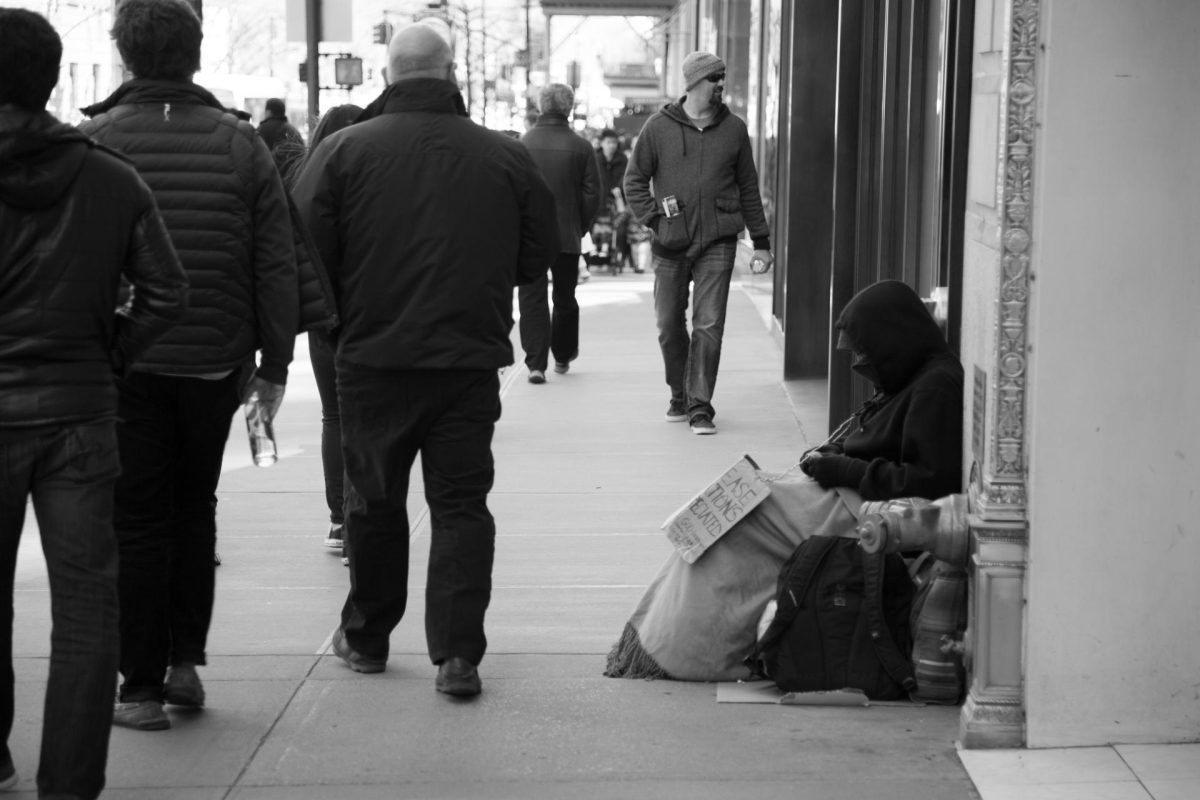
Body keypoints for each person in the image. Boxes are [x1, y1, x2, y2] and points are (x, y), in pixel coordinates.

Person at [292, 23, 559, 697]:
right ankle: (458, 655)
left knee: (374, 501)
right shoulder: (503, 155)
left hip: (374, 357)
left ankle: (369, 637)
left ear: (389, 74)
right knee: (462, 505)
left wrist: (340, 317)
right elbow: (537, 254)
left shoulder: (344, 151)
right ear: (451, 73)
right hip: (467, 360)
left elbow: (304, 252)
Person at [79, 0, 299, 731]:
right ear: (194, 56)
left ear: (126, 56)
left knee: (135, 516)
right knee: (193, 509)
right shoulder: (241, 146)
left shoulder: (97, 141)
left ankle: (138, 686)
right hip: (215, 357)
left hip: (128, 364)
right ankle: (183, 664)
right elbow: (274, 260)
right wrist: (275, 360)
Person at [0, 10, 189, 794]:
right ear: (52, 79)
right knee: (85, 611)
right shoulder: (110, 177)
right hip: (80, 410)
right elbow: (167, 292)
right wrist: (109, 351)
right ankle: (71, 784)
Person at [605, 280, 963, 682]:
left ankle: (686, 653)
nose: (860, 363)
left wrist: (843, 468)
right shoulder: (911, 379)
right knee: (732, 501)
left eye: (866, 352)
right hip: (850, 497)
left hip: (873, 515)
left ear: (894, 340)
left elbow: (930, 484)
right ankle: (655, 636)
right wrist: (836, 458)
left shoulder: (937, 388)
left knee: (744, 515)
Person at [624, 51, 774, 435]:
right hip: (670, 243)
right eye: (714, 78)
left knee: (708, 324)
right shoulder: (658, 127)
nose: (721, 84)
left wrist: (761, 241)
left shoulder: (735, 129)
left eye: (723, 77)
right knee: (667, 324)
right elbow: (634, 181)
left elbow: (748, 188)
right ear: (693, 83)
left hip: (719, 239)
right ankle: (680, 391)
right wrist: (656, 219)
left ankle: (699, 406)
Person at [291, 103, 363, 559]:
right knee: (365, 418)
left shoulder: (302, 179)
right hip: (369, 313)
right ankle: (361, 519)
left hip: (323, 315)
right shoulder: (373, 179)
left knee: (333, 416)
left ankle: (339, 519)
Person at [519, 83, 601, 383]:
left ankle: (535, 362)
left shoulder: (524, 143)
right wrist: (581, 225)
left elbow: (516, 189)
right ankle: (563, 355)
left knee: (532, 297)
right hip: (567, 233)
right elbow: (593, 193)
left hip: (530, 236)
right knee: (565, 296)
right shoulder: (581, 146)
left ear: (542, 107)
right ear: (569, 108)